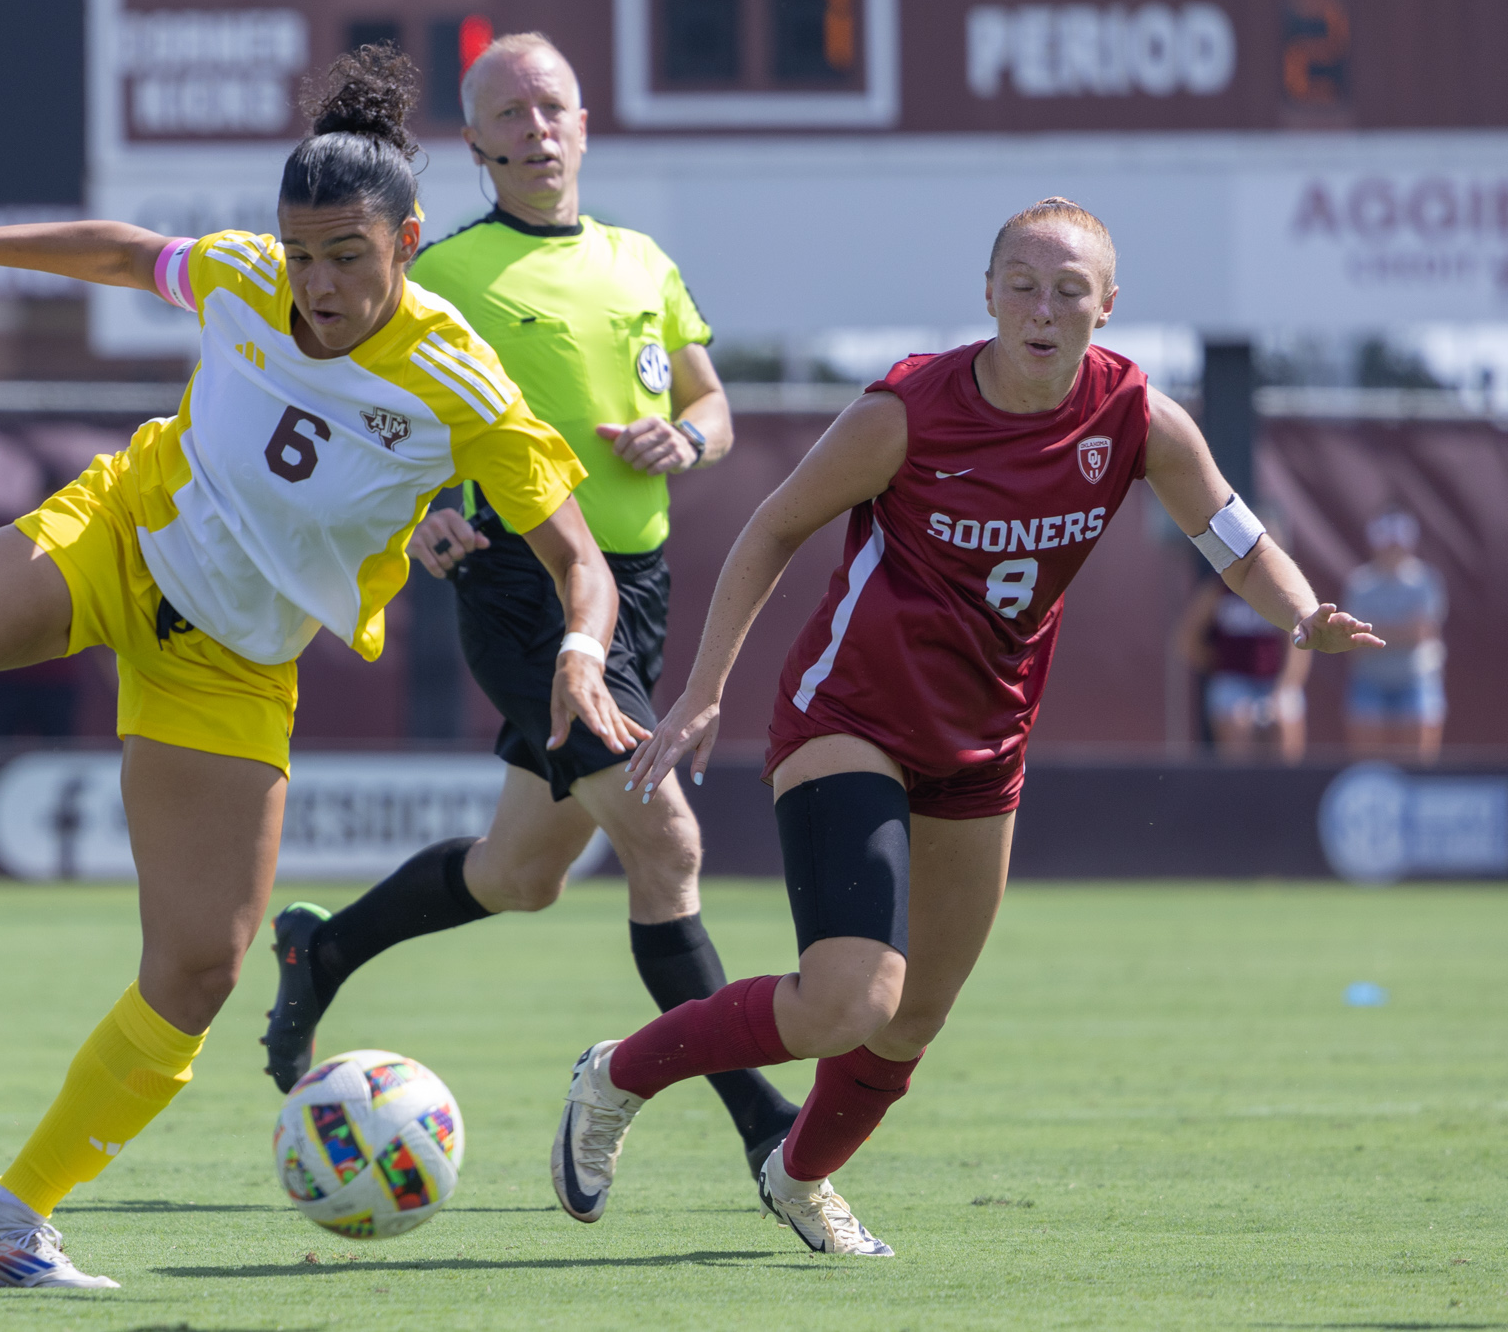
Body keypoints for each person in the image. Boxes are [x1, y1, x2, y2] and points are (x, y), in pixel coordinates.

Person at [0, 48, 633, 1289]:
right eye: (299, 255)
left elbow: (582, 559)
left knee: (196, 969)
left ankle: (8, 1221)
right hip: (122, 537)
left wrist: (579, 654)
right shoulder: (246, 274)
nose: (315, 285)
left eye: (347, 256)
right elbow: (131, 254)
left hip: (233, 664)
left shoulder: (459, 383)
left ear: (407, 237)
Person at [548, 198, 1384, 1255]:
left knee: (914, 1016)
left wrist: (1302, 613)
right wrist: (706, 684)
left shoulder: (1135, 418)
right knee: (849, 996)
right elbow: (772, 528)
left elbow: (1231, 535)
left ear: (1106, 308)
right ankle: (614, 1076)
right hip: (846, 715)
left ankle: (796, 1177)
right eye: (1022, 286)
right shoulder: (904, 411)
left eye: (1068, 291)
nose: (1042, 309)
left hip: (983, 739)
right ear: (985, 296)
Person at [259, 32, 802, 1183]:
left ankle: (326, 947)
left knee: (522, 876)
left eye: (551, 105)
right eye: (508, 112)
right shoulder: (439, 273)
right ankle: (766, 1128)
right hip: (522, 589)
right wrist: (417, 521)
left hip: (637, 587)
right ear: (474, 144)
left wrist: (686, 437)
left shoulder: (642, 262)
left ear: (585, 124)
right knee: (667, 841)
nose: (535, 125)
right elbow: (359, 417)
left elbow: (713, 406)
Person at [1176, 549, 1310, 763]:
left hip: (1275, 680)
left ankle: (1289, 791)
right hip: (1234, 680)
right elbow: (1187, 639)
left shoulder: (1283, 592)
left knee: (1285, 721)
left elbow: (1300, 646)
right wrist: (1220, 664)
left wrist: (1284, 688)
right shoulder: (1218, 588)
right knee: (1238, 723)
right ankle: (1240, 791)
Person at [1344, 510, 1447, 763]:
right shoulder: (1359, 583)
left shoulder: (1426, 581)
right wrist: (1402, 631)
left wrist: (1378, 632)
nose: (1392, 551)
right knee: (1366, 758)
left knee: (1421, 752)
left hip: (1416, 677)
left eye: (1397, 545)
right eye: (1387, 545)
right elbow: (1355, 637)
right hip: (1371, 678)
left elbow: (1422, 632)